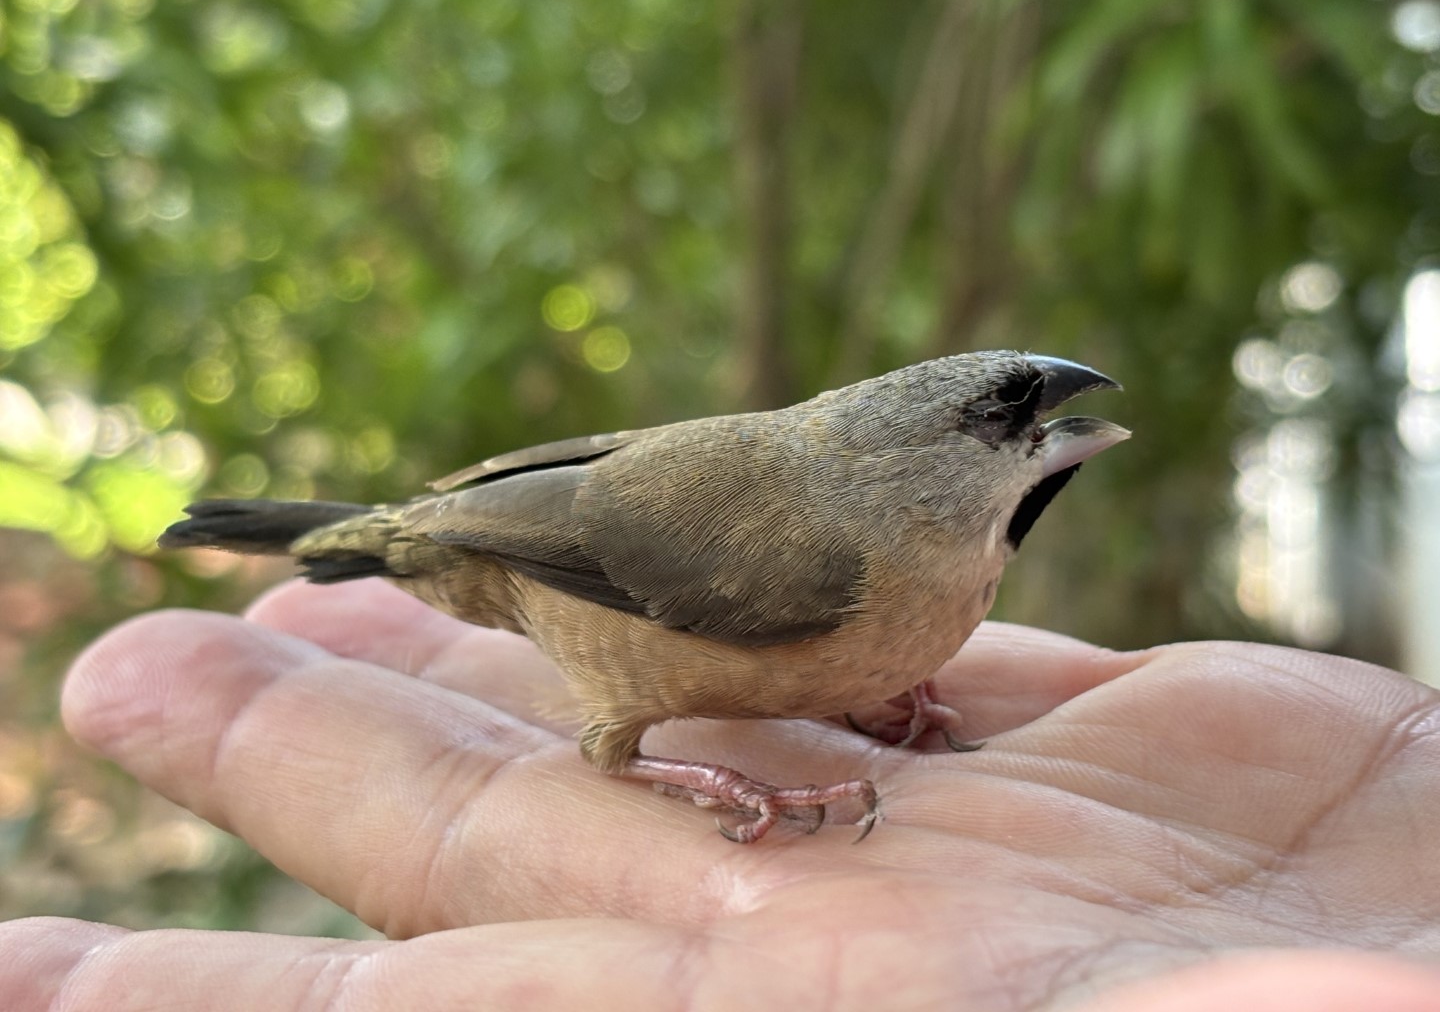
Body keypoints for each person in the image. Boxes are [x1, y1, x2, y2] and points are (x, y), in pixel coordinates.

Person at [3, 578, 1440, 1011]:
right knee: (615, 742)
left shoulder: (916, 583)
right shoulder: (817, 543)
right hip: (541, 595)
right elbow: (602, 726)